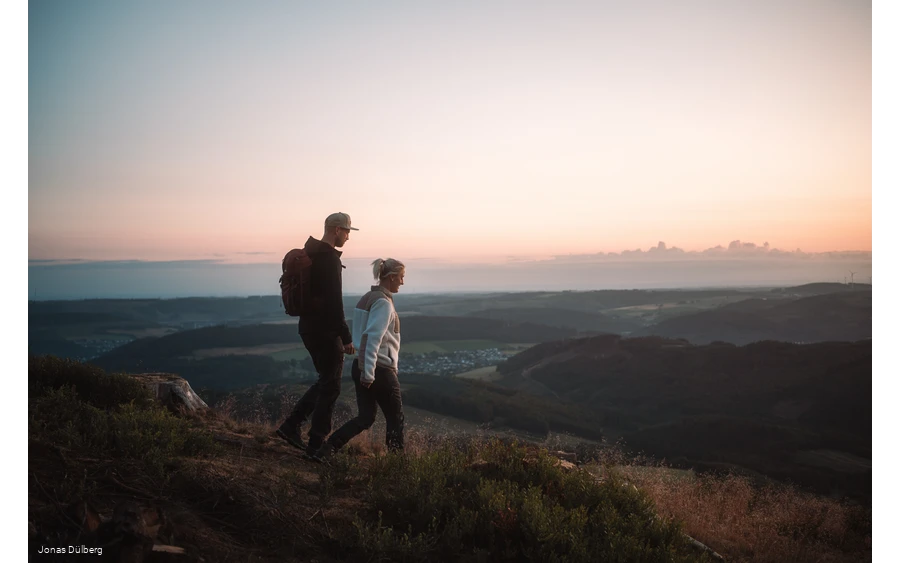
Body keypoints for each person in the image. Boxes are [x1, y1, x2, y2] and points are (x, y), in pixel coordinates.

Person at [275, 212, 358, 458]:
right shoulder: (329, 259)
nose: (348, 237)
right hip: (326, 330)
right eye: (347, 231)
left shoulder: (308, 253)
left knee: (325, 381)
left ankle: (291, 426)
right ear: (336, 230)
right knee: (331, 387)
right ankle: (316, 444)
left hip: (307, 328)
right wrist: (346, 336)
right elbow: (335, 302)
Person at [310, 258, 406, 462]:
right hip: (379, 369)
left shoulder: (367, 298)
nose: (402, 282)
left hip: (361, 366)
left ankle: (326, 450)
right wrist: (369, 373)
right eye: (401, 277)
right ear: (390, 277)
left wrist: (364, 369)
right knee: (395, 419)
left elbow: (363, 335)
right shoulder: (383, 303)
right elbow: (371, 337)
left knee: (365, 418)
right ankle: (397, 466)